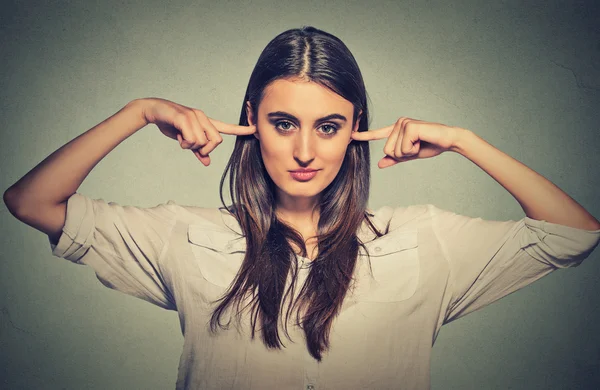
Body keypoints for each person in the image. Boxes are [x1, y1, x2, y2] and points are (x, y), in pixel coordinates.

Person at [4, 25, 600, 390]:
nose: (306, 150)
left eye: (330, 126)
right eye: (283, 123)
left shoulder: (423, 239)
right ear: (251, 124)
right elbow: (30, 200)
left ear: (356, 131)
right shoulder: (184, 237)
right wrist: (138, 112)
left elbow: (574, 233)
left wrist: (464, 141)